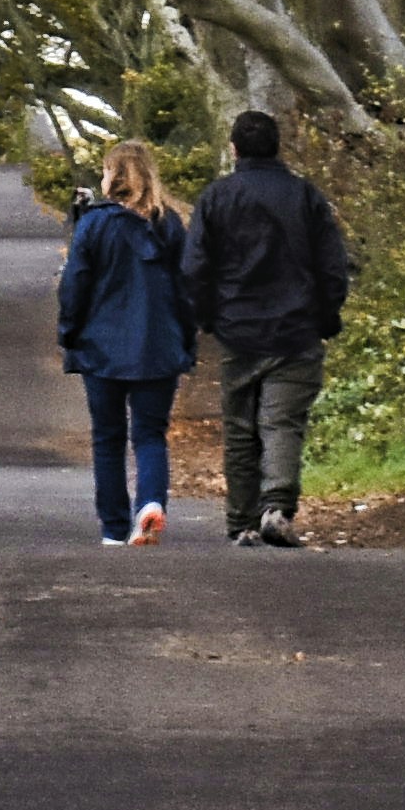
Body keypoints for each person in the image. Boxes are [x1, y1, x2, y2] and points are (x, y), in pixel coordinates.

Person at [184, 106, 355, 549]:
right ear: (278, 146)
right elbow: (332, 265)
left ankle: (241, 521)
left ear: (234, 148)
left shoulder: (216, 198)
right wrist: (328, 314)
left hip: (238, 327)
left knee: (240, 426)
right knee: (281, 422)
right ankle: (276, 506)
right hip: (297, 328)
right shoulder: (306, 197)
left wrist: (206, 318)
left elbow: (195, 267)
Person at [53, 140, 195, 545]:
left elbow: (74, 284)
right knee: (150, 434)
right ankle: (150, 503)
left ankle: (114, 528)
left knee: (108, 437)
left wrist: (69, 333)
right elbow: (187, 290)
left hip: (101, 349)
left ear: (111, 175)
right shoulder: (169, 224)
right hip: (158, 346)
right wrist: (185, 340)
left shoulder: (94, 224)